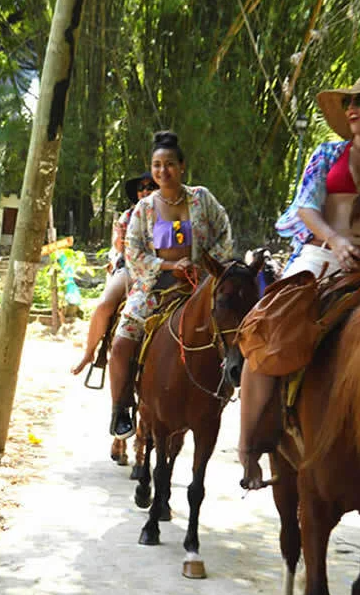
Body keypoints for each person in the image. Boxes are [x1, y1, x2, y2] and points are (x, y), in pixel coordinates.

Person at [239, 73, 360, 488]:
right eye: (349, 100)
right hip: (322, 257)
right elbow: (306, 207)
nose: (352, 107)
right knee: (264, 329)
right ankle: (250, 448)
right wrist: (335, 239)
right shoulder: (328, 154)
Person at [109, 130, 234, 439]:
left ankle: (222, 394)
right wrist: (166, 265)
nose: (162, 171)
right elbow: (132, 250)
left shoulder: (202, 198)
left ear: (182, 166)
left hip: (198, 287)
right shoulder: (145, 208)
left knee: (231, 327)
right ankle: (120, 409)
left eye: (169, 164)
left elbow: (225, 234)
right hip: (155, 288)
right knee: (122, 341)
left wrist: (203, 265)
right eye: (156, 165)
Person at [71, 172, 158, 375]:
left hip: (163, 269)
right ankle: (89, 352)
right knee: (105, 305)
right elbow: (119, 248)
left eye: (150, 187)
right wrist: (120, 238)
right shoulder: (128, 216)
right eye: (142, 188)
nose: (145, 191)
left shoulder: (169, 213)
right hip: (131, 269)